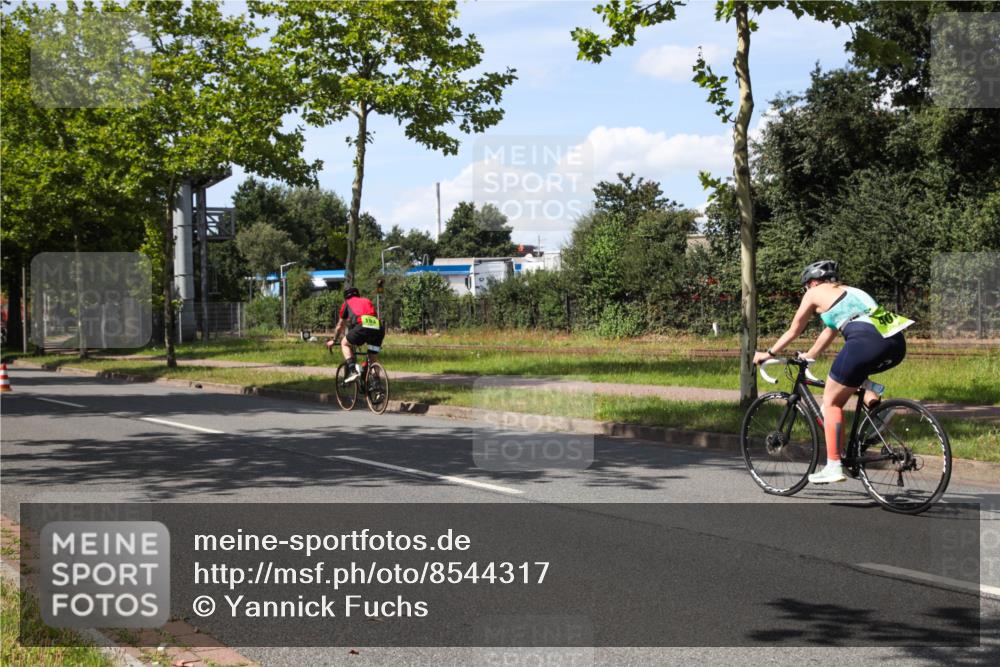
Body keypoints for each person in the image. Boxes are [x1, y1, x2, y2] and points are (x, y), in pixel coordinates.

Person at [752, 260, 912, 484]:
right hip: (895, 341)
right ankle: (879, 412)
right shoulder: (850, 292)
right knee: (853, 378)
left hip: (866, 340)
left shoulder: (814, 292)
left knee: (831, 401)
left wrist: (768, 353)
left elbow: (795, 328)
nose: (807, 291)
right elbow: (831, 329)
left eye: (806, 286)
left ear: (814, 281)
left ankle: (833, 465)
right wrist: (810, 355)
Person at [328, 286, 385, 383]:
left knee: (344, 343)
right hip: (378, 328)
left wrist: (334, 340)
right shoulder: (366, 300)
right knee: (372, 359)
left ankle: (352, 370)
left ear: (345, 296)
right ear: (358, 294)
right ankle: (377, 386)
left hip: (362, 326)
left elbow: (340, 325)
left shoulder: (346, 303)